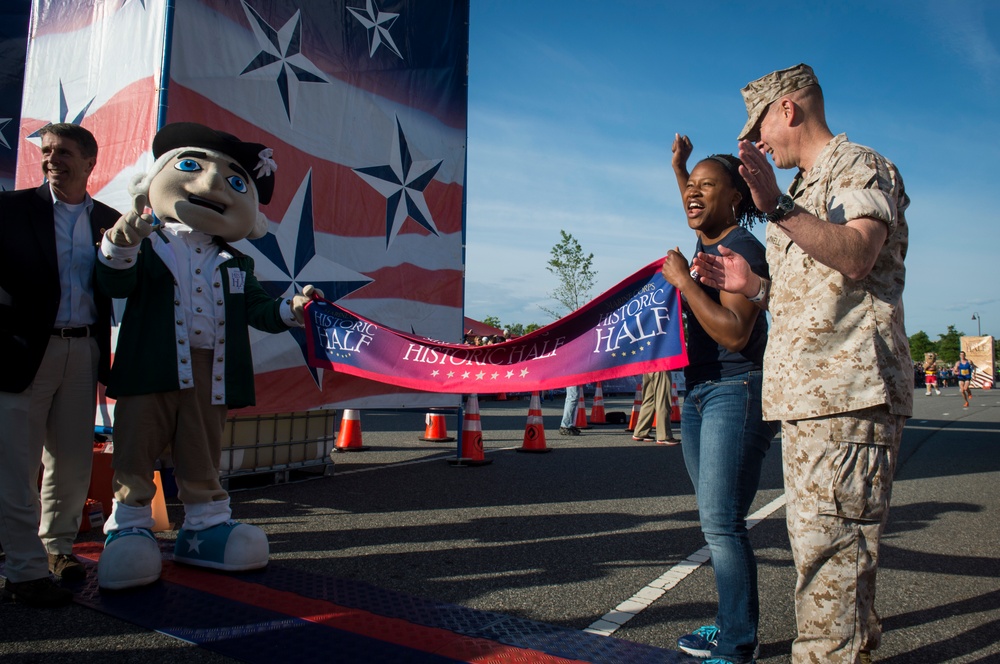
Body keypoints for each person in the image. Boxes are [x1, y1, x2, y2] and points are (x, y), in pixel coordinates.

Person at [691, 64, 912, 664]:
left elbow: (859, 255)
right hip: (811, 404)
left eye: (760, 127)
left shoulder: (856, 166)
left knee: (831, 581)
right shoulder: (808, 190)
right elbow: (818, 290)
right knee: (823, 576)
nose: (758, 144)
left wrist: (778, 207)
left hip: (846, 398)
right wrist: (757, 287)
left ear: (788, 108)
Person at [94, 123, 315, 590]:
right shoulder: (148, 244)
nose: (213, 185)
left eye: (237, 182)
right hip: (151, 365)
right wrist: (124, 238)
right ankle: (130, 526)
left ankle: (205, 527)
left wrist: (291, 309)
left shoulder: (237, 263)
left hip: (209, 370)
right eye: (191, 166)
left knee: (202, 451)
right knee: (137, 445)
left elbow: (257, 309)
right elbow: (115, 283)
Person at [661, 138, 776, 664]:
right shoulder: (710, 235)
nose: (692, 193)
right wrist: (680, 169)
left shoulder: (740, 250)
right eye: (690, 187)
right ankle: (730, 623)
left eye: (708, 186)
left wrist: (684, 281)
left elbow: (733, 334)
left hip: (737, 388)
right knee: (716, 519)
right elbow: (694, 201)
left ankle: (737, 643)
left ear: (736, 199)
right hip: (700, 391)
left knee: (722, 521)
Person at [0, 123, 120, 606]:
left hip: (82, 350)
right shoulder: (9, 210)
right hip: (21, 351)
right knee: (16, 464)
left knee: (71, 462)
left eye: (64, 152)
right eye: (47, 151)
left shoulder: (109, 221)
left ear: (90, 162)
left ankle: (57, 549)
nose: (52, 159)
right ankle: (24, 570)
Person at [631, 371, 677, 445]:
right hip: (661, 365)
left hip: (648, 365)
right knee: (663, 399)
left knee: (649, 399)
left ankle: (640, 431)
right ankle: (664, 435)